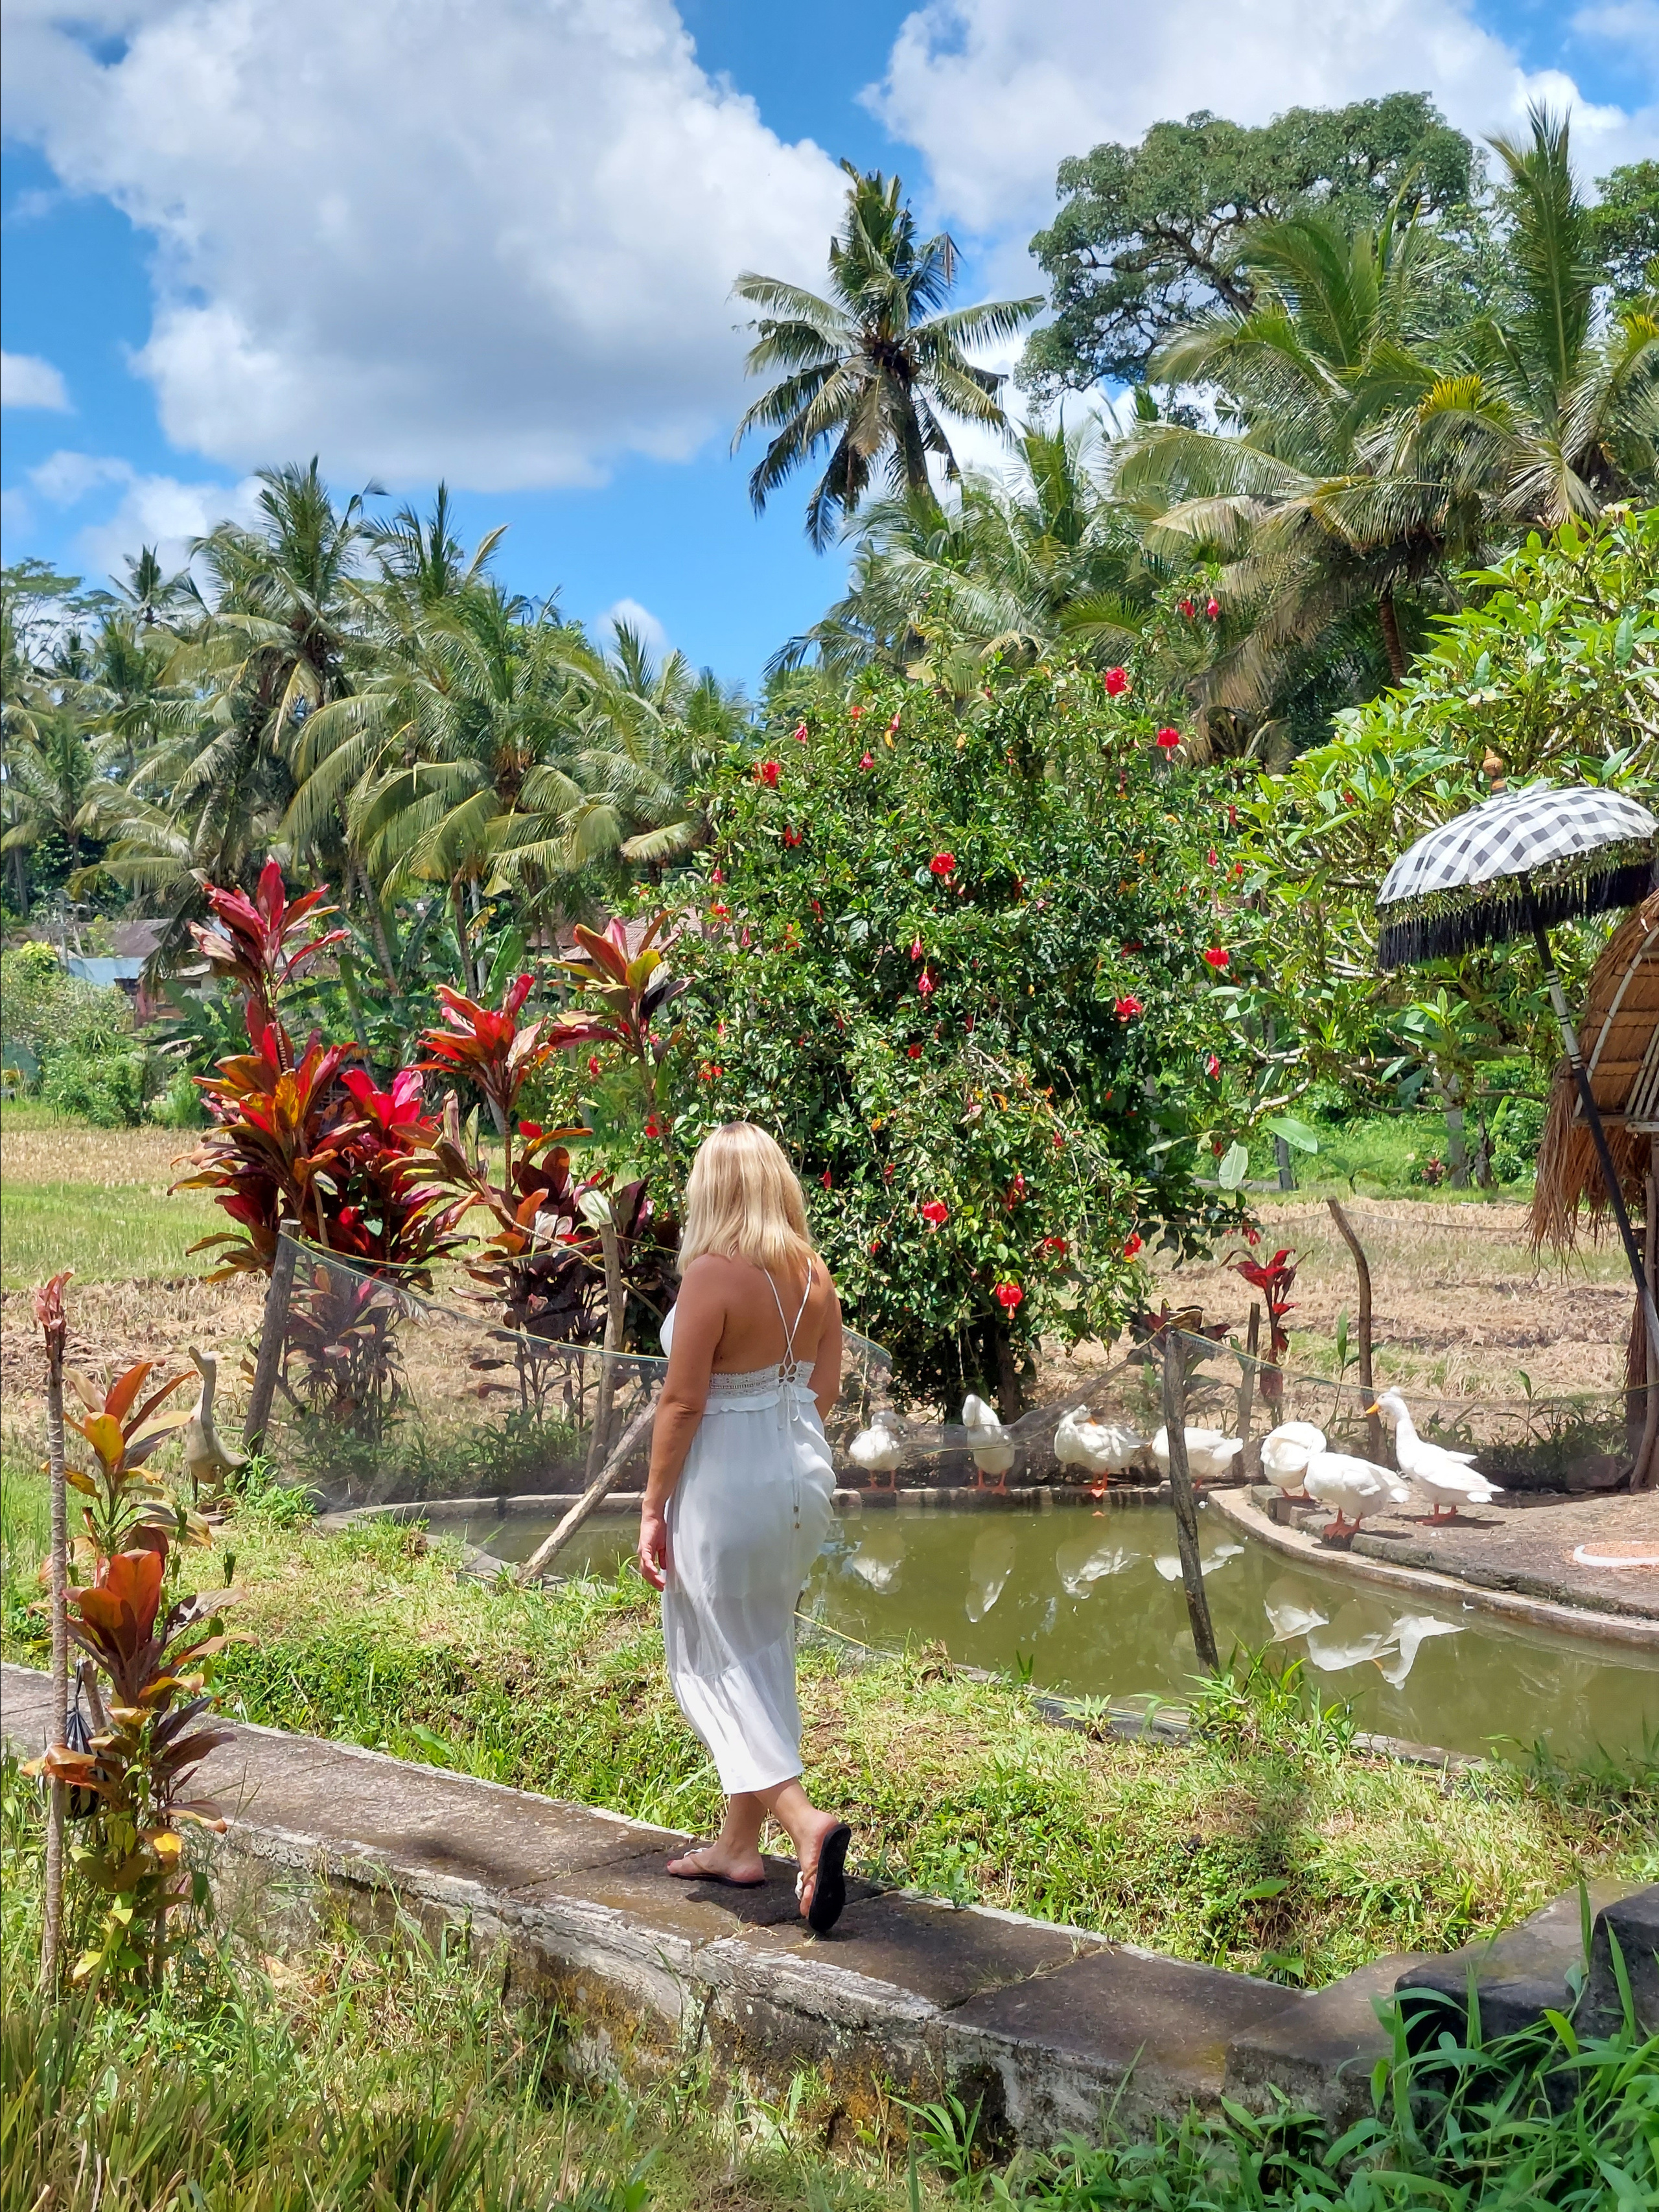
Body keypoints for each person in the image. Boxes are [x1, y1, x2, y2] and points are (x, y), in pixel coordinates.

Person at [636, 1122, 853, 1932]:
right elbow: (818, 1394)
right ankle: (737, 1845)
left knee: (711, 1662)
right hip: (799, 1480)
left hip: (725, 1484)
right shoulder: (814, 1276)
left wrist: (654, 1504)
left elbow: (683, 1401)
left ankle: (804, 1824)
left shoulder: (711, 1275)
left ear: (712, 1189)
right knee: (759, 1650)